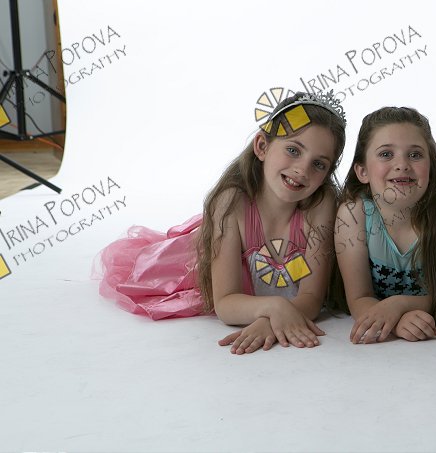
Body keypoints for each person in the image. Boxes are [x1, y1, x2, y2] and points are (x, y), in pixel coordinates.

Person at [94, 92, 346, 354]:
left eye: (319, 164)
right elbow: (225, 303)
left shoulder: (321, 204)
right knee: (149, 273)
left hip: (262, 302)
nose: (303, 170)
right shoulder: (230, 204)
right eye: (293, 150)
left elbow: (312, 298)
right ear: (262, 146)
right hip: (198, 264)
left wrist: (268, 321)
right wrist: (274, 308)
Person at [334, 106, 436, 344]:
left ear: (431, 165)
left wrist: (399, 305)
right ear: (362, 171)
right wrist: (397, 323)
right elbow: (359, 298)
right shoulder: (352, 215)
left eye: (415, 155)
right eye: (386, 154)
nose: (402, 164)